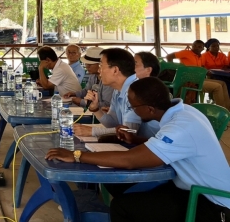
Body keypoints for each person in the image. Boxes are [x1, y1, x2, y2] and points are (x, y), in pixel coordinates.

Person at [46, 77, 230, 222]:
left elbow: (129, 160)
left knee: (123, 207)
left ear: (149, 109)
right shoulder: (186, 112)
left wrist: (77, 155)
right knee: (123, 188)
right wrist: (137, 139)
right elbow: (171, 146)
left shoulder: (180, 127)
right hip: (191, 190)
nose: (131, 111)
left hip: (213, 204)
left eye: (133, 107)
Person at [74, 48, 158, 138]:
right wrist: (95, 109)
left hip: (154, 147)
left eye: (101, 66)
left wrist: (93, 131)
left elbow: (130, 130)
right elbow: (113, 123)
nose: (99, 71)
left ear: (115, 70)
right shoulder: (118, 89)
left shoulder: (135, 90)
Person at [166, 40, 230, 109]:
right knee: (217, 87)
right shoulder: (186, 53)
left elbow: (201, 68)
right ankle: (222, 110)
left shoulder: (200, 56)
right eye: (194, 46)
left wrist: (206, 71)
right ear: (192, 46)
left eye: (199, 47)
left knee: (223, 83)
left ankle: (228, 108)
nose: (196, 48)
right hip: (189, 81)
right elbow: (169, 56)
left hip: (199, 79)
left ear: (203, 48)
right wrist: (172, 70)